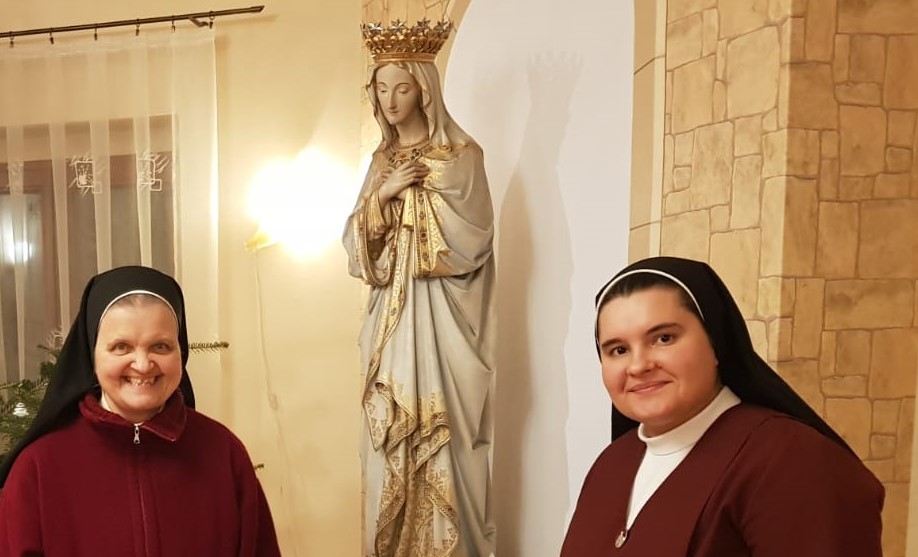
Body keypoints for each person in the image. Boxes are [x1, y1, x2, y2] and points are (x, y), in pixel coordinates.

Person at [561, 256, 884, 556]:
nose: (638, 365)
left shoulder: (791, 458)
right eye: (618, 350)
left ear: (716, 342)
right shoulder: (612, 463)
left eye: (664, 338)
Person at [343, 20, 496, 557]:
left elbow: (473, 240)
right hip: (391, 320)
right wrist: (383, 196)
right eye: (381, 88)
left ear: (425, 90)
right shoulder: (380, 164)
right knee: (392, 434)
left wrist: (423, 205)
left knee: (443, 433)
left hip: (442, 319)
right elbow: (357, 249)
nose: (390, 100)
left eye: (402, 87)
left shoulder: (462, 158)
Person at [0, 266, 281, 557]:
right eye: (121, 347)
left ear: (180, 352)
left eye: (160, 346)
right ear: (92, 355)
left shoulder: (224, 454)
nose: (143, 364)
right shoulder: (37, 469)